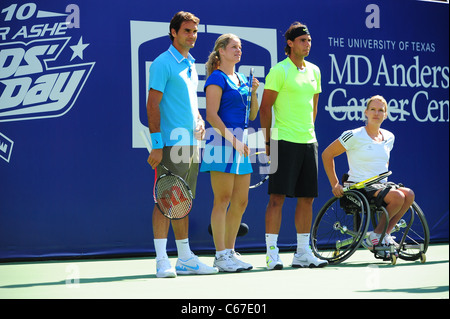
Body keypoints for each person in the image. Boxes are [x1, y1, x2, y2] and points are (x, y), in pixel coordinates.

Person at [146, 11, 218, 278]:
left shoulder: (190, 63)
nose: (192, 36)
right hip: (170, 145)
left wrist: (199, 119)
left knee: (183, 199)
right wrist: (156, 144)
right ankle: (162, 259)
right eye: (187, 31)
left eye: (195, 31)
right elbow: (152, 105)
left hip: (191, 144)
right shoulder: (163, 63)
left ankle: (185, 258)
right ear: (174, 32)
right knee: (165, 199)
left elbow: (190, 104)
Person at [259, 22, 327, 269]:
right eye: (302, 40)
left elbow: (314, 106)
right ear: (290, 43)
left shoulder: (315, 71)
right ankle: (271, 252)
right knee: (277, 198)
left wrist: (310, 133)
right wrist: (268, 141)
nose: (307, 44)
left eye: (309, 40)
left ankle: (302, 252)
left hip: (309, 142)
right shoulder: (279, 71)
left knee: (307, 198)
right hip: (281, 140)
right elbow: (265, 108)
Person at [322, 95, 415, 257]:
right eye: (373, 109)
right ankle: (376, 235)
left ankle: (384, 233)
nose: (376, 113)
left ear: (385, 114)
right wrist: (335, 184)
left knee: (409, 195)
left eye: (381, 110)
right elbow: (327, 154)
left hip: (381, 186)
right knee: (398, 197)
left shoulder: (389, 137)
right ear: (366, 112)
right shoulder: (353, 135)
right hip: (359, 187)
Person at [200, 34, 260, 272]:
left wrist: (254, 92)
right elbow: (212, 116)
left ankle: (230, 252)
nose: (238, 50)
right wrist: (234, 141)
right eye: (234, 47)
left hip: (240, 144)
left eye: (240, 47)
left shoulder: (244, 79)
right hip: (221, 142)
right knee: (222, 199)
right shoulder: (216, 78)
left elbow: (252, 115)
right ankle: (220, 255)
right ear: (221, 51)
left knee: (241, 201)